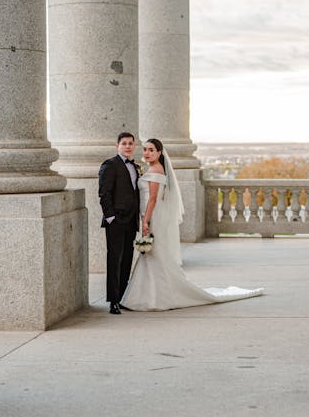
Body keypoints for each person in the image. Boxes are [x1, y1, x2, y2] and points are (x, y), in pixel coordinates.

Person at [121, 138, 264, 311]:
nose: (147, 153)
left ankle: (156, 296)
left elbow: (152, 199)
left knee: (154, 253)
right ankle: (150, 294)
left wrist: (145, 221)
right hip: (152, 214)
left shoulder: (156, 170)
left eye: (151, 150)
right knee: (154, 253)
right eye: (145, 149)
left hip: (153, 216)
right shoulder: (153, 168)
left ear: (159, 153)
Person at [99, 132, 140, 314]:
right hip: (116, 221)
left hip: (131, 220)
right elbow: (104, 193)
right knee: (114, 260)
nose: (128, 146)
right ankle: (113, 301)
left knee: (127, 259)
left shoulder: (135, 166)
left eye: (131, 143)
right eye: (124, 143)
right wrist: (110, 217)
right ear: (117, 146)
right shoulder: (110, 165)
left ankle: (123, 297)